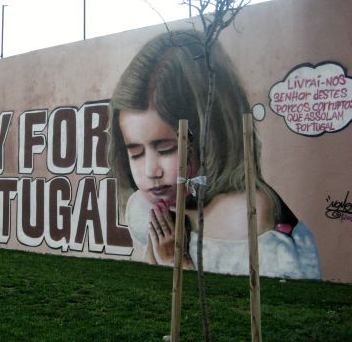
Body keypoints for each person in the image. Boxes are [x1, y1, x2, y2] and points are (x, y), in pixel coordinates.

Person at [108, 29, 321, 279]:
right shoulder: (145, 209)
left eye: (166, 149)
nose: (150, 171)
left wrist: (175, 260)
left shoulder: (244, 215)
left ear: (212, 137)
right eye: (135, 154)